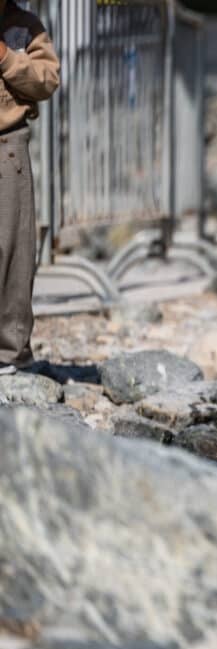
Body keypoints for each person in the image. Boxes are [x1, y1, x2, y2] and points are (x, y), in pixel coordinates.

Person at [0, 0, 59, 375]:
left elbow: (47, 80)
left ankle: (10, 350)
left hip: (8, 147)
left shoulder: (26, 26)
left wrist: (6, 57)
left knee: (15, 248)